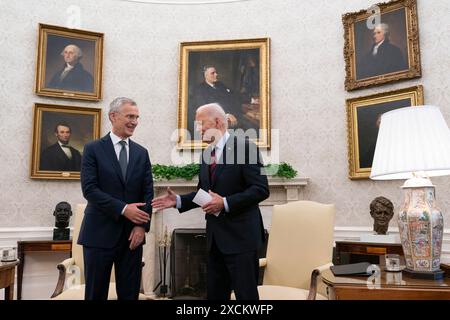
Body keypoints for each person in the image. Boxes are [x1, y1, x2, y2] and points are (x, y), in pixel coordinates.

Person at [152, 103, 269, 300]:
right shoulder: (207, 154)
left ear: (217, 122)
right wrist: (178, 201)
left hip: (241, 239)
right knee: (215, 295)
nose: (198, 129)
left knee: (246, 297)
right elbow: (204, 193)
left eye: (201, 124)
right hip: (215, 240)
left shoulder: (245, 147)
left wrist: (224, 203)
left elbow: (260, 189)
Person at [77, 97, 153, 300]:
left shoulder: (141, 153)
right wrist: (124, 209)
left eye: (137, 117)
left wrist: (141, 227)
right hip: (98, 234)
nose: (134, 121)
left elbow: (147, 193)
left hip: (132, 237)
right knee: (96, 295)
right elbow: (90, 190)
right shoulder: (93, 149)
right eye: (130, 116)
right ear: (113, 116)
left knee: (130, 295)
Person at [190, 66, 256, 132]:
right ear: (206, 75)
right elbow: (204, 111)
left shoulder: (220, 84)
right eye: (213, 73)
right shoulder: (199, 90)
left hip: (234, 115)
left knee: (253, 125)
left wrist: (251, 100)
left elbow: (234, 95)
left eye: (216, 72)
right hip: (217, 122)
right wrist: (225, 115)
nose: (216, 74)